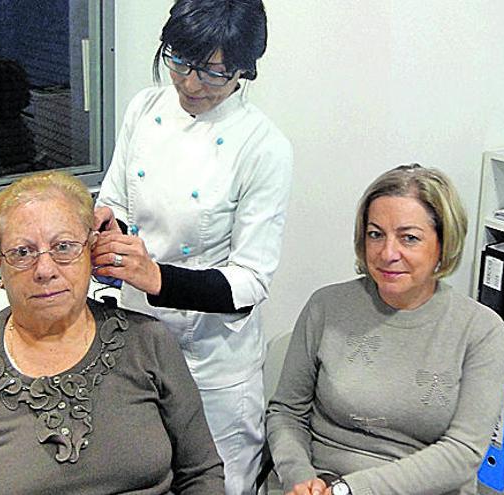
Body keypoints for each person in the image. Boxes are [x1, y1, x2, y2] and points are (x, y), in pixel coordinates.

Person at [0, 171, 224, 494]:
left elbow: (201, 473)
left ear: (92, 250)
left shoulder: (148, 343)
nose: (45, 270)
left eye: (63, 247)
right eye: (23, 252)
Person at [92, 1, 292, 493]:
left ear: (245, 70)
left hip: (211, 360)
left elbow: (250, 279)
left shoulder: (263, 147)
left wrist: (154, 276)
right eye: (179, 61)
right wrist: (105, 224)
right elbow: (117, 197)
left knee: (216, 482)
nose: (190, 83)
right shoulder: (144, 108)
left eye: (213, 73)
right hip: (136, 340)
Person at [266, 164, 504, 495]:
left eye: (409, 238)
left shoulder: (481, 330)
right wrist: (299, 477)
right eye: (375, 234)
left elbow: (464, 453)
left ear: (443, 243)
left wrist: (350, 490)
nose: (387, 253)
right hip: (319, 483)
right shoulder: (326, 306)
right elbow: (286, 411)